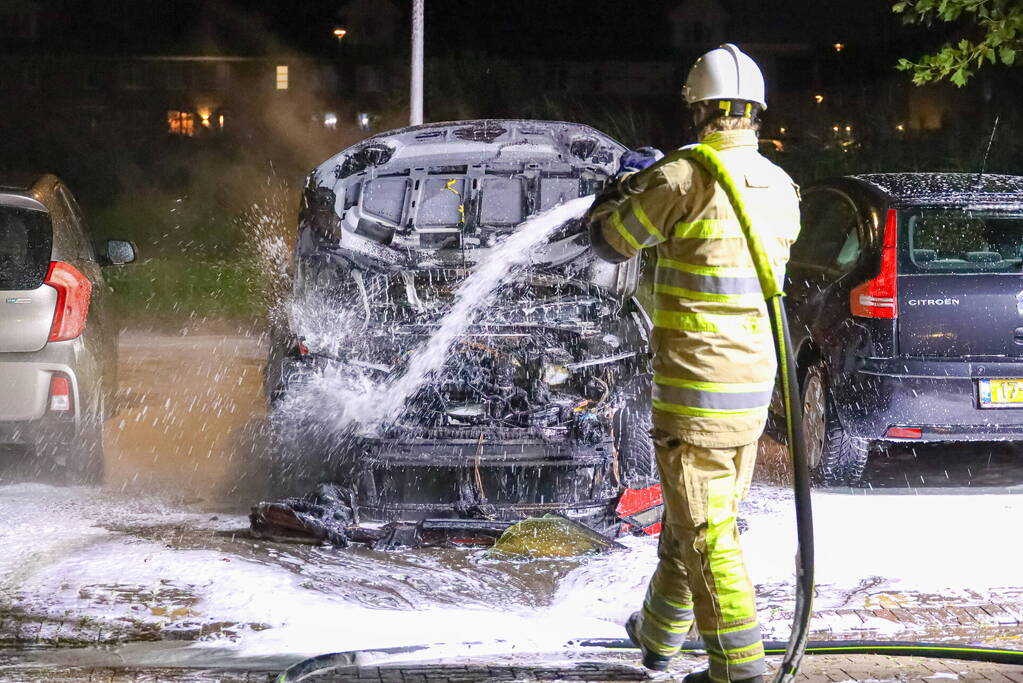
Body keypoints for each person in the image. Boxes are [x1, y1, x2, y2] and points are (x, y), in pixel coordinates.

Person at [586, 44, 801, 683]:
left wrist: (624, 187)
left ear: (699, 111)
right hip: (751, 387)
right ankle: (657, 634)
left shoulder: (684, 177)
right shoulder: (779, 184)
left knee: (708, 536)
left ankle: (738, 669)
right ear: (754, 113)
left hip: (696, 390)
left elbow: (610, 240)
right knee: (694, 519)